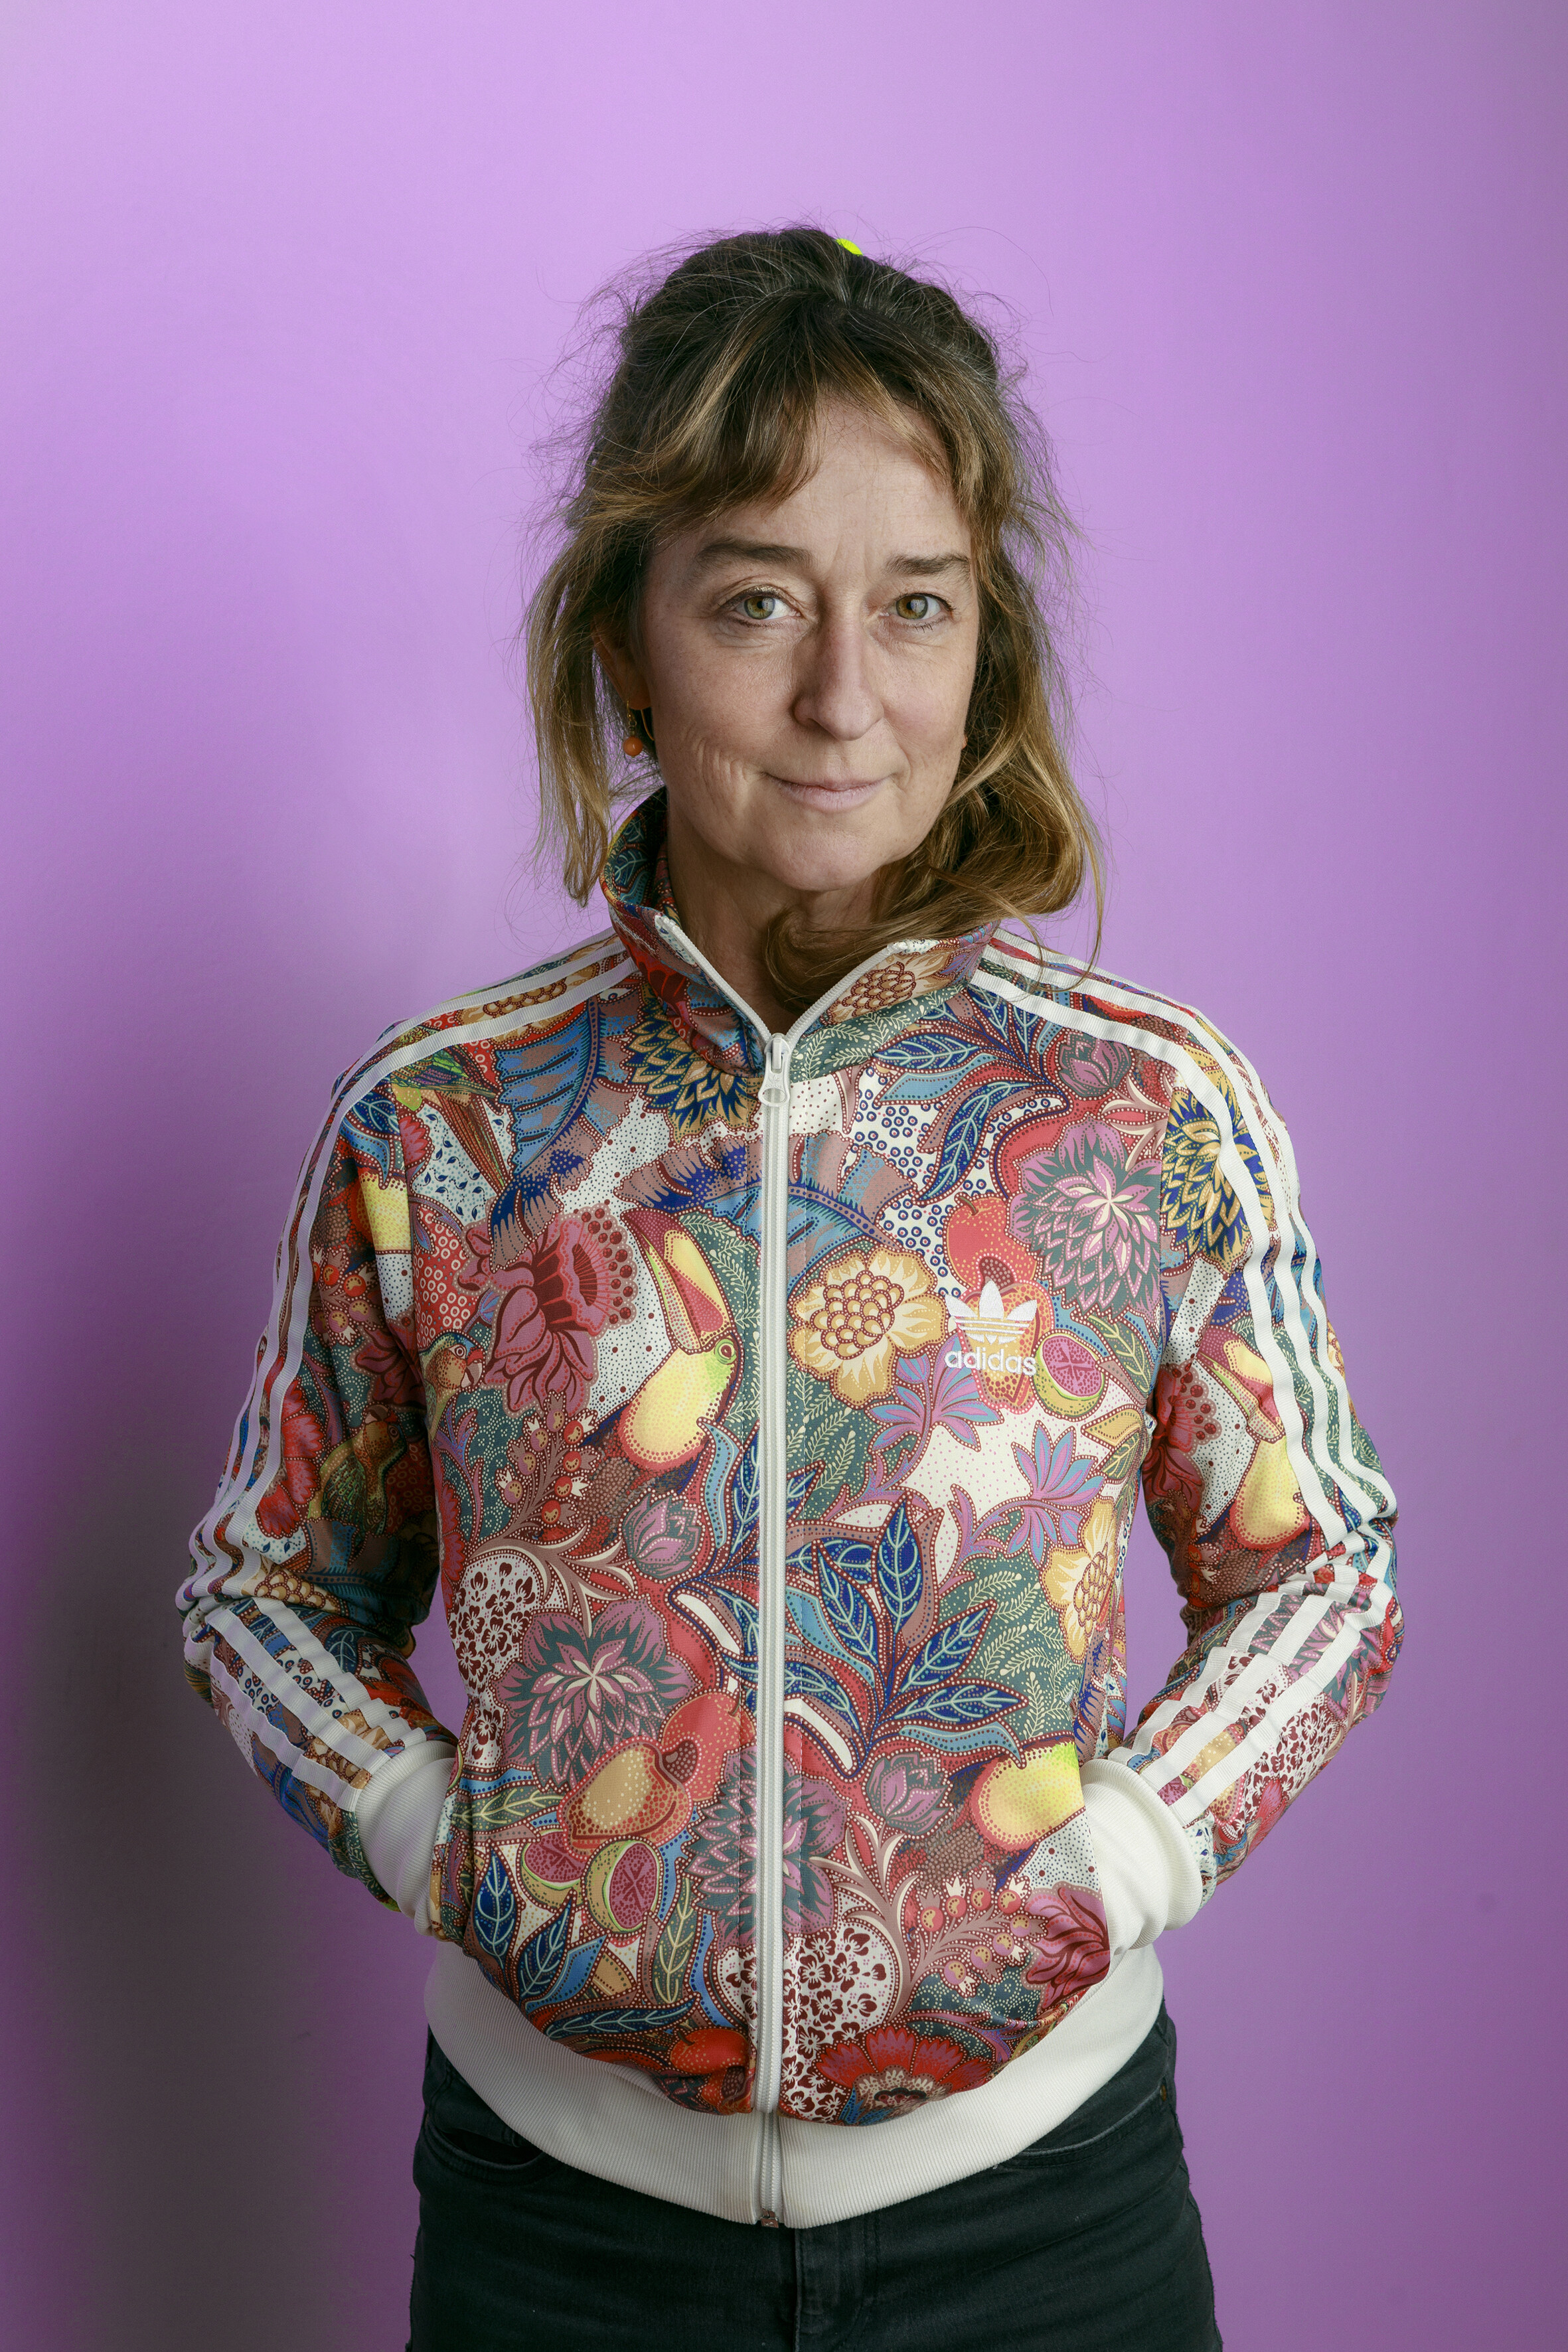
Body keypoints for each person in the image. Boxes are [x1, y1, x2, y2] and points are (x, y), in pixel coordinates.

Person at [179, 228, 1401, 2350]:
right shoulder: (440, 1128)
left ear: (983, 654)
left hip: (1044, 2229)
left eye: (914, 605)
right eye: (755, 601)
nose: (845, 695)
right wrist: (438, 1839)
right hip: (562, 2242)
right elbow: (257, 1587)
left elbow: (1324, 1571)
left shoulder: (1143, 1109)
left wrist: (1123, 1866)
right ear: (625, 650)